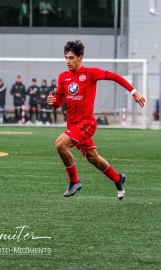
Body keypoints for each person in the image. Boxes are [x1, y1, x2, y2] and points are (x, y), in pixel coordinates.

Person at [47, 40, 145, 199]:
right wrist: (53, 102)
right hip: (73, 127)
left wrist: (134, 91)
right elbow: (58, 102)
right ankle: (117, 178)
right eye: (66, 58)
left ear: (80, 58)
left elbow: (115, 77)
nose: (67, 61)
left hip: (86, 124)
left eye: (71, 58)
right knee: (93, 158)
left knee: (59, 144)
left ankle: (74, 182)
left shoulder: (91, 73)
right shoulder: (63, 77)